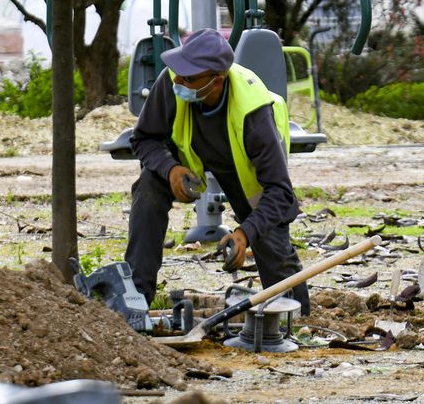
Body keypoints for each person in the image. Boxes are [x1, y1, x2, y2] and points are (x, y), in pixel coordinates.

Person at [123, 30, 310, 313]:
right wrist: (170, 169)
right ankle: (135, 301)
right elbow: (143, 138)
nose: (178, 80)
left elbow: (280, 193)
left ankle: (294, 317)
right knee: (149, 186)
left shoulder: (254, 114)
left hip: (244, 168)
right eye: (178, 73)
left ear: (216, 81)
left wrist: (245, 233)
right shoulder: (172, 82)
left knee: (270, 239)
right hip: (190, 158)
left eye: (188, 78)